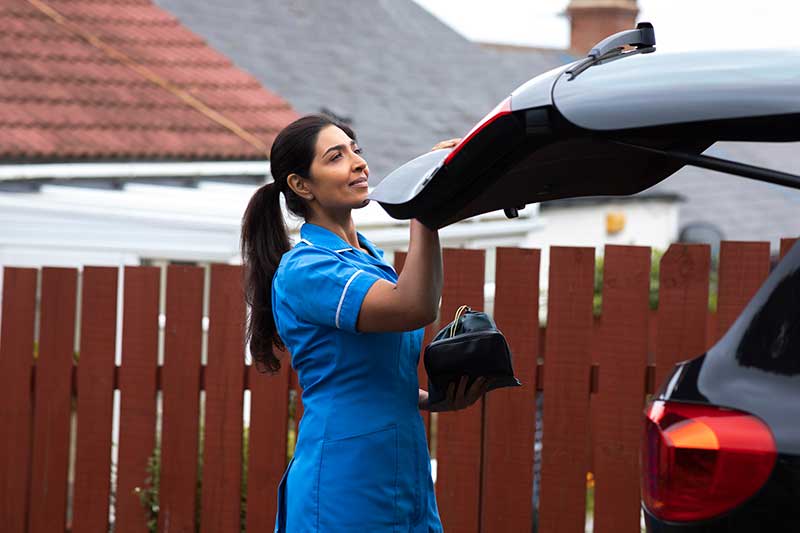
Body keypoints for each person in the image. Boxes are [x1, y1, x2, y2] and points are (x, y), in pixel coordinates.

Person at [240, 114, 490, 532]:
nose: (358, 162)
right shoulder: (307, 268)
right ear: (301, 185)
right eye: (336, 157)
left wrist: (432, 400)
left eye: (356, 150)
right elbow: (415, 306)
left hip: (402, 468)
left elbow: (365, 375)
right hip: (345, 479)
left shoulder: (369, 259)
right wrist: (422, 205)